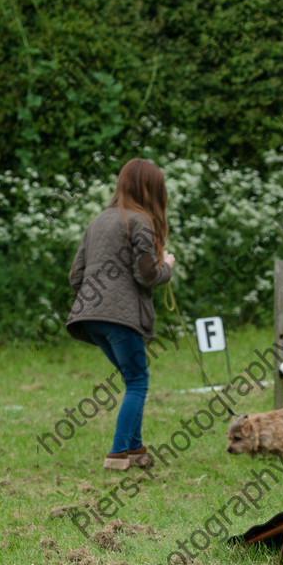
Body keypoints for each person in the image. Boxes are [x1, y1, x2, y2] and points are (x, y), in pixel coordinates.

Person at [66, 158, 175, 469]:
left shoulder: (97, 221)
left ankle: (135, 449)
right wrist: (166, 267)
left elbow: (76, 277)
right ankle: (117, 453)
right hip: (120, 318)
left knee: (133, 379)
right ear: (152, 189)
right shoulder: (139, 221)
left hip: (89, 317)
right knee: (138, 381)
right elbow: (146, 276)